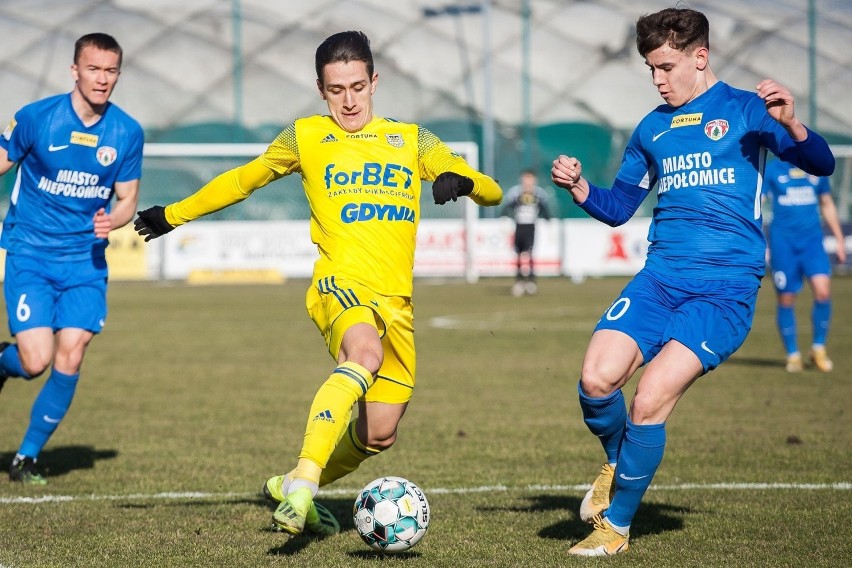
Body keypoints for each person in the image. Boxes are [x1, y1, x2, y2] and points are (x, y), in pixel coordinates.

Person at [134, 30, 502, 537]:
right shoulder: (305, 136)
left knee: (379, 434)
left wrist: (461, 181)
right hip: (340, 283)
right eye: (336, 90)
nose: (348, 100)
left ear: (375, 81)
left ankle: (290, 483)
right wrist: (172, 214)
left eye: (357, 86)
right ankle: (305, 482)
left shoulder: (412, 139)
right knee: (363, 356)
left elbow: (493, 190)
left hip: (398, 302)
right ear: (320, 90)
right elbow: (245, 179)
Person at [551, 7, 834, 556]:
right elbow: (619, 207)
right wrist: (581, 187)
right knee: (595, 380)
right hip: (659, 280)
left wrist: (793, 123)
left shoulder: (750, 111)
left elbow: (818, 162)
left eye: (665, 67)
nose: (657, 80)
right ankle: (617, 462)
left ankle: (617, 527)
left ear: (699, 57)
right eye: (651, 70)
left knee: (651, 398)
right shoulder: (652, 128)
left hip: (724, 289)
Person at [0, 33, 143, 484]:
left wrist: (114, 221)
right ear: (75, 70)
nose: (102, 79)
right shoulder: (37, 118)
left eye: (111, 71)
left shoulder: (126, 132)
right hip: (30, 253)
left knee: (72, 354)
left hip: (85, 262)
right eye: (94, 69)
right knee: (35, 360)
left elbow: (127, 200)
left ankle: (25, 457)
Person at [762, 158, 846, 373]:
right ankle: (793, 354)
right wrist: (761, 241)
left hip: (812, 243)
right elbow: (758, 206)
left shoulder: (816, 167)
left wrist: (839, 239)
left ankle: (818, 348)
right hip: (784, 243)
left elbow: (826, 203)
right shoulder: (772, 171)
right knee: (787, 297)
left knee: (823, 292)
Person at [501, 169, 551, 296]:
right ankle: (519, 282)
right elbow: (507, 207)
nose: (528, 181)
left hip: (530, 227)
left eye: (530, 178)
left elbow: (545, 209)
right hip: (519, 227)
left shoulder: (539, 194)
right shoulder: (515, 192)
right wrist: (504, 218)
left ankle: (531, 282)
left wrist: (548, 220)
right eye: (526, 178)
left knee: (529, 254)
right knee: (518, 254)